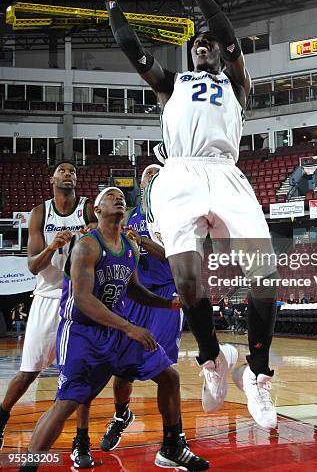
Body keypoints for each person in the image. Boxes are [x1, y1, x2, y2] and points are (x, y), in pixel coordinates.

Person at [92, 0, 278, 430]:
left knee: (265, 276)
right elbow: (133, 49)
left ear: (221, 53)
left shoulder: (239, 84)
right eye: (196, 42)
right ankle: (214, 360)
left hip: (227, 173)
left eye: (209, 42)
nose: (203, 42)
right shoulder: (170, 84)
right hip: (181, 172)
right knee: (188, 282)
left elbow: (226, 30)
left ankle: (258, 373)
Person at [18, 187, 208, 472]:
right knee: (66, 403)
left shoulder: (130, 246)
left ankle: (172, 446)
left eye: (121, 196)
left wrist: (166, 303)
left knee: (169, 376)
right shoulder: (87, 245)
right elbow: (82, 299)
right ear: (97, 210)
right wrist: (130, 327)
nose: (118, 198)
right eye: (110, 196)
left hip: (115, 333)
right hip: (83, 332)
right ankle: (28, 467)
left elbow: (132, 289)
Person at [0, 162, 97, 461]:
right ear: (52, 179)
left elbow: (102, 240)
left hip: (79, 298)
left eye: (73, 171)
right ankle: (1, 419)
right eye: (62, 170)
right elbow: (32, 265)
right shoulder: (40, 213)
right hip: (47, 296)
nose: (68, 174)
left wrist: (94, 232)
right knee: (28, 371)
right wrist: (53, 246)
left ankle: (81, 441)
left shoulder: (87, 209)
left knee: (80, 374)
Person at [99, 165, 184, 453]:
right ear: (141, 183)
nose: (151, 179)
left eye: (157, 175)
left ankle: (174, 436)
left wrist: (142, 240)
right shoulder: (131, 215)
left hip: (165, 295)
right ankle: (121, 415)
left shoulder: (174, 215)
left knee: (166, 369)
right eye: (147, 175)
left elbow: (177, 260)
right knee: (123, 369)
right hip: (135, 295)